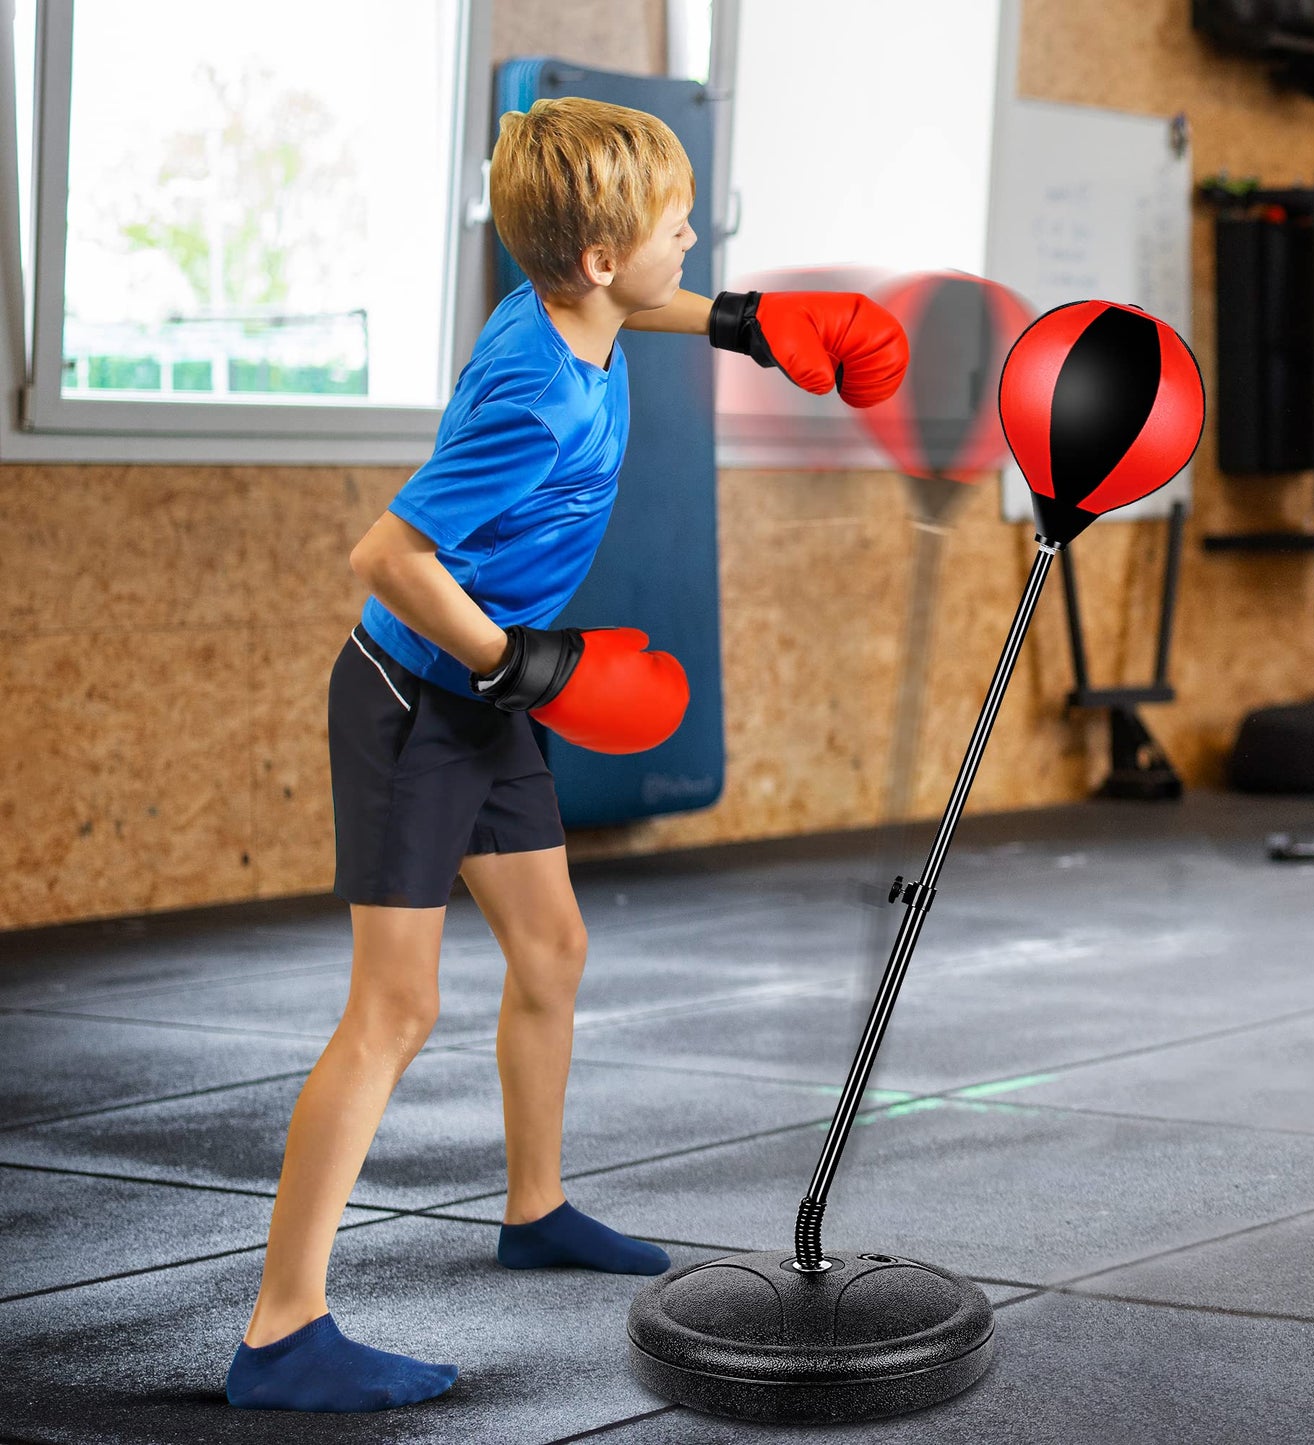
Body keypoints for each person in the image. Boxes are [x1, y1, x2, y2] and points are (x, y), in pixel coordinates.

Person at [224, 95, 908, 1414]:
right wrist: (524, 666)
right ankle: (281, 1328)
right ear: (598, 256)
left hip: (481, 699)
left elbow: (629, 300)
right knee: (394, 1009)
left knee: (550, 949)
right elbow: (387, 556)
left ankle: (533, 1208)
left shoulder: (562, 310)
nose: (693, 239)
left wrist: (738, 320)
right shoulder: (536, 394)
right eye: (676, 228)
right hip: (415, 702)